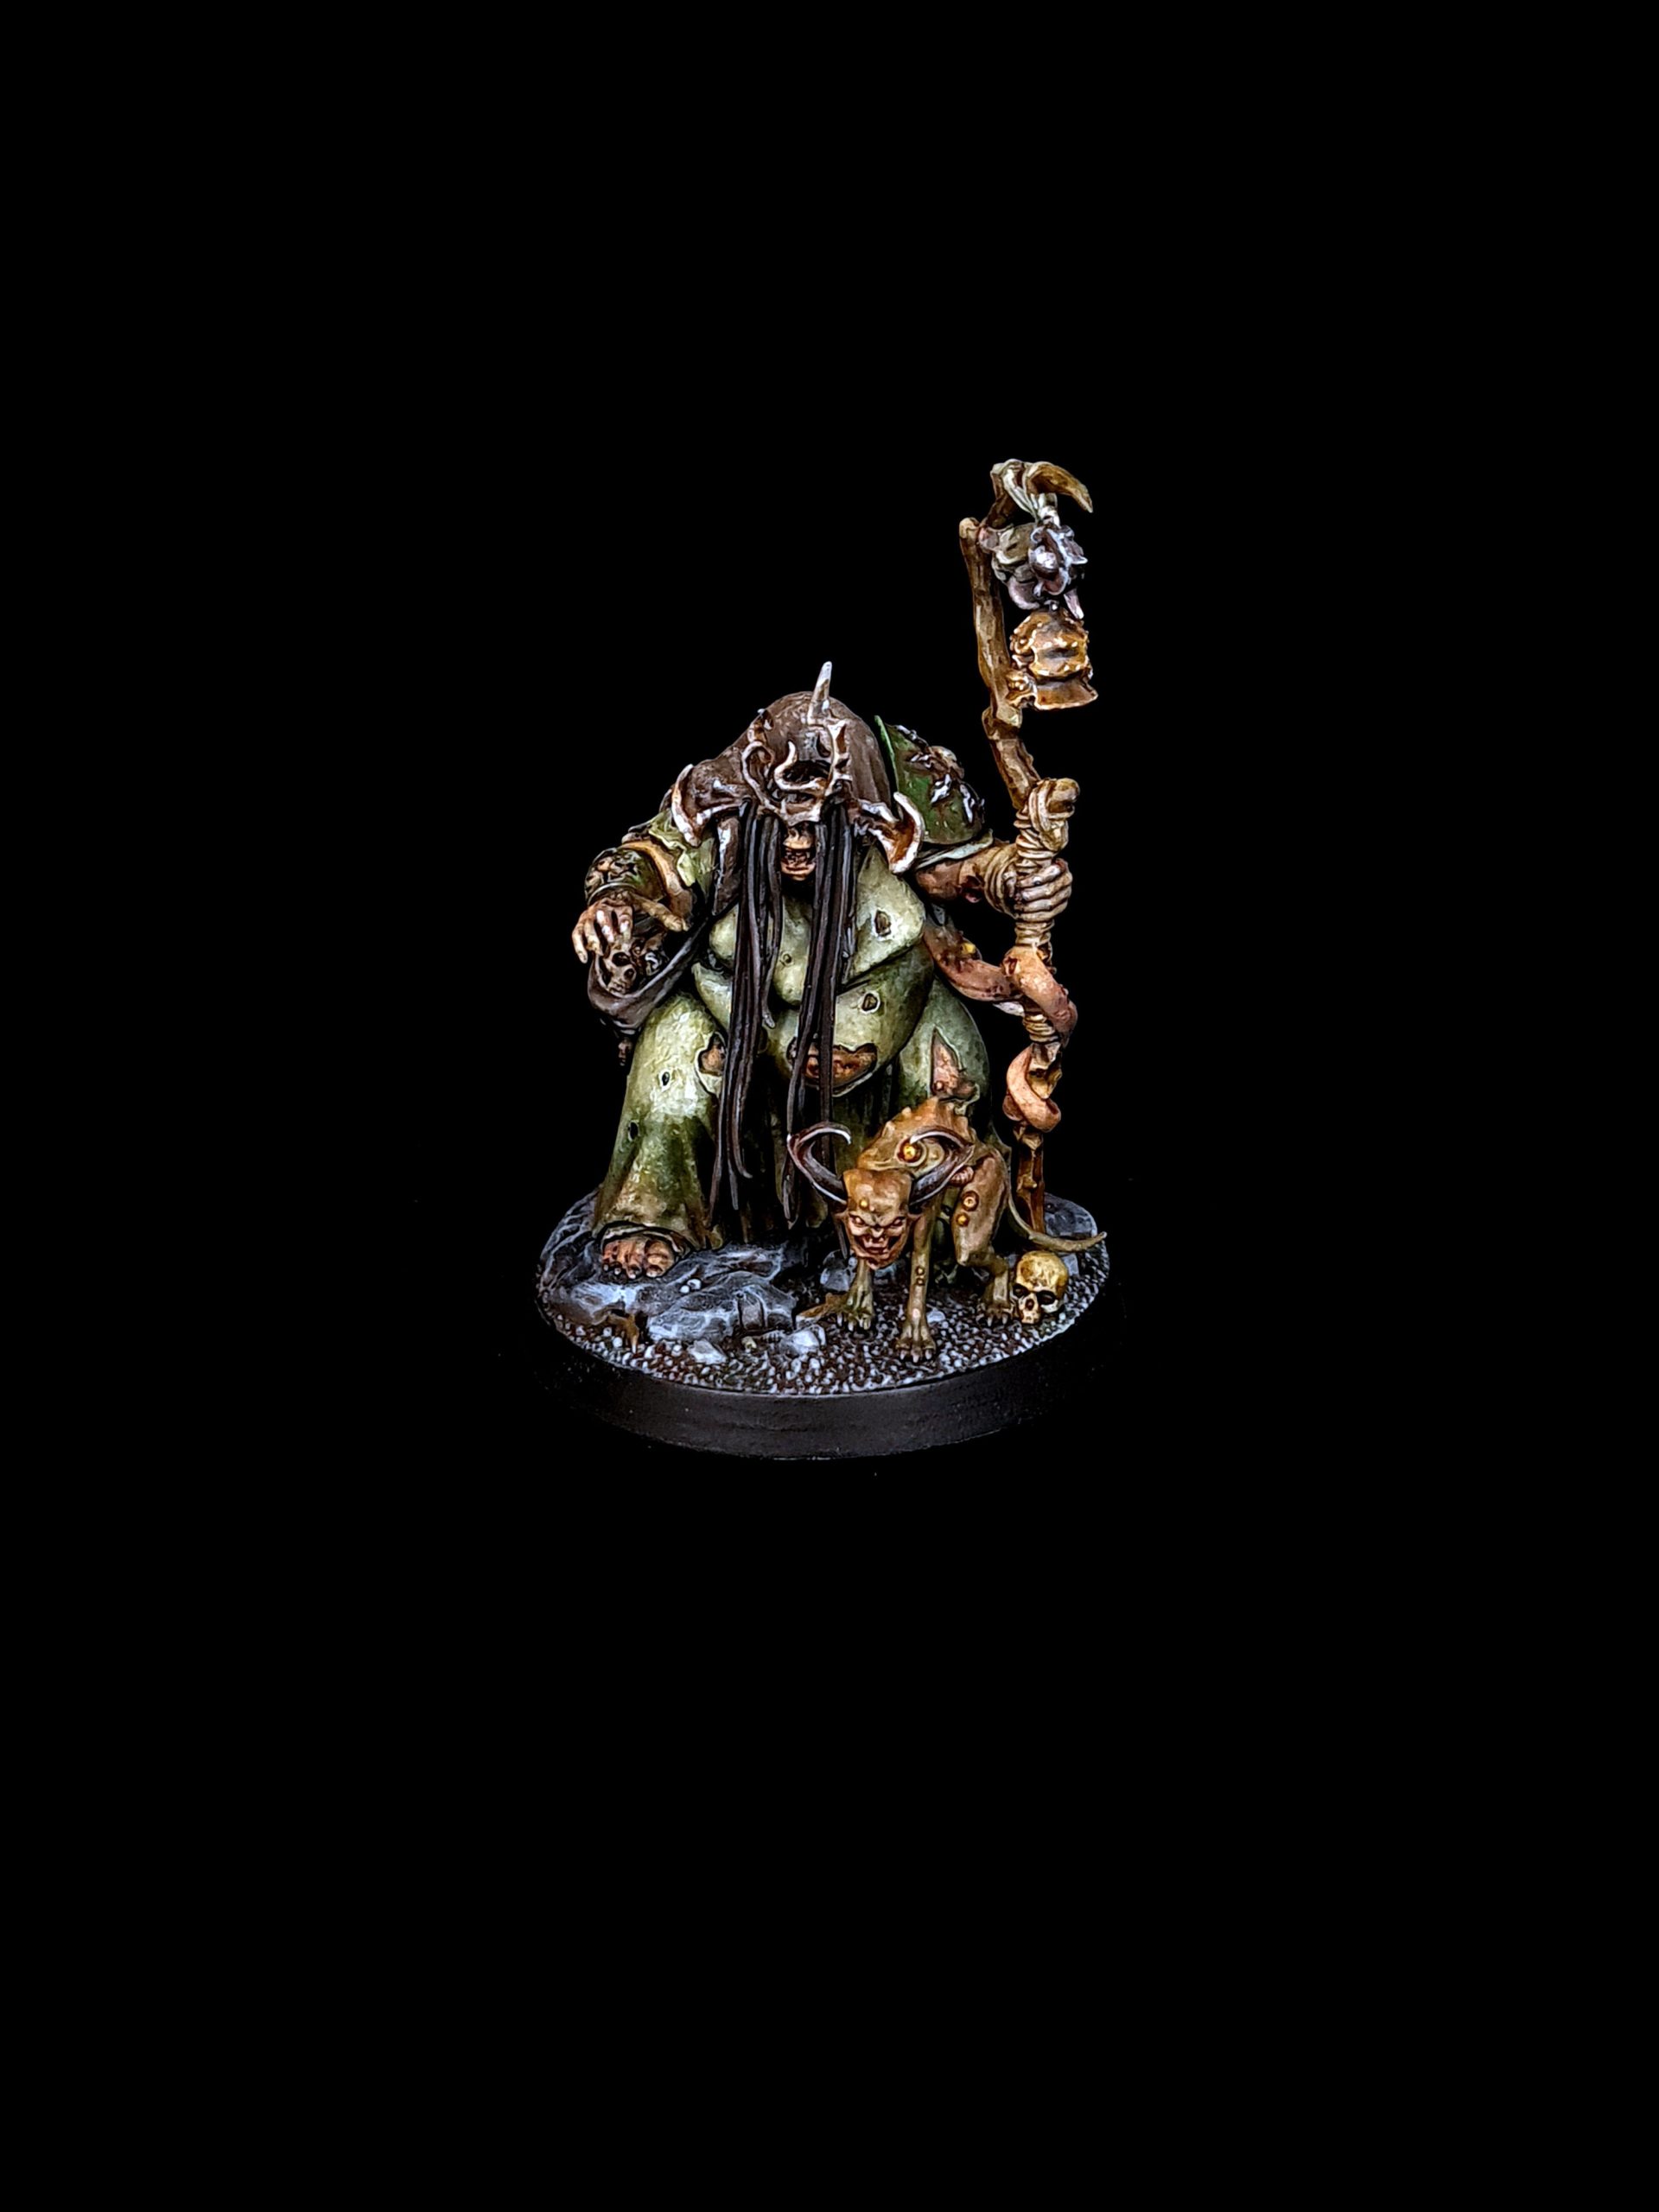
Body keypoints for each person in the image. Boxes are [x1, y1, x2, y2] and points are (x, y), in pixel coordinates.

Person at [571, 666, 1070, 1280]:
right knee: (669, 1068)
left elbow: (966, 867)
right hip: (741, 1010)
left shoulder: (897, 796)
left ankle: (929, 1235)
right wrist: (616, 898)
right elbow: (654, 857)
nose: (797, 844)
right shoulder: (720, 807)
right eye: (780, 825)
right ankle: (654, 1216)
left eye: (814, 825)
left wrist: (1021, 880)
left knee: (945, 1074)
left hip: (884, 1006)